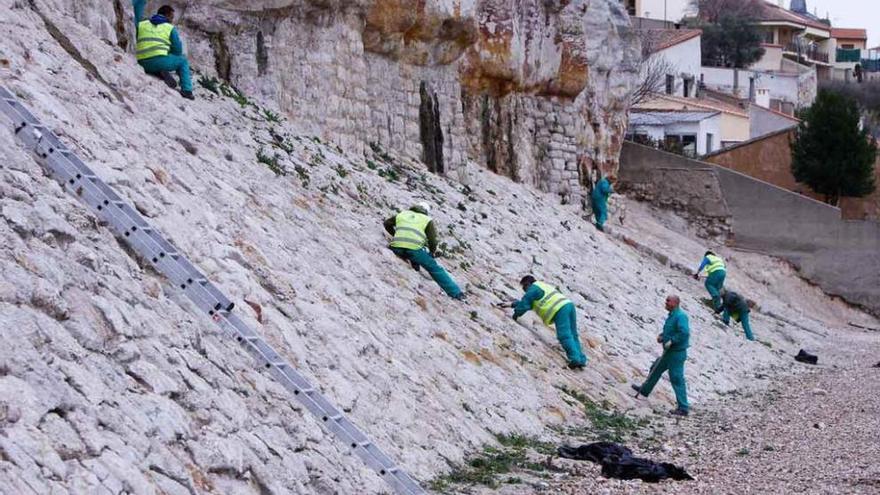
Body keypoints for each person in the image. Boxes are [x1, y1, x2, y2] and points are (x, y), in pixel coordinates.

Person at [384, 203, 465, 300]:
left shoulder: (402, 214)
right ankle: (456, 293)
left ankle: (415, 266)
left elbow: (387, 223)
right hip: (414, 250)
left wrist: (396, 235)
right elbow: (433, 240)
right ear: (426, 211)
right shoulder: (427, 220)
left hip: (396, 247)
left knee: (413, 252)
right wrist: (432, 252)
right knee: (435, 269)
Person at [510, 275, 587, 369]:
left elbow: (524, 306)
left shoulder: (532, 290)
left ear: (528, 283)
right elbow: (529, 304)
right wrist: (511, 304)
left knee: (564, 335)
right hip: (568, 305)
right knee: (573, 334)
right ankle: (581, 359)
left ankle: (574, 359)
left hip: (559, 309)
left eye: (524, 286)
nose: (524, 289)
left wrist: (515, 315)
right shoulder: (542, 286)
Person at [631, 295, 690, 416]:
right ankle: (645, 390)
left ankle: (683, 407)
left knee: (676, 378)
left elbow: (684, 332)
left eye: (668, 301)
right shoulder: (672, 316)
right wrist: (662, 336)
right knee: (655, 368)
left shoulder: (681, 316)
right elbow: (670, 330)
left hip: (676, 353)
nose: (666, 303)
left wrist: (672, 341)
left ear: (675, 303)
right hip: (668, 352)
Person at [132, 1, 194, 99]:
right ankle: (187, 90)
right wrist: (168, 51)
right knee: (183, 61)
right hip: (159, 61)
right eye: (172, 17)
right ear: (167, 15)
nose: (172, 20)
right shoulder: (169, 28)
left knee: (158, 58)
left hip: (141, 62)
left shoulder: (142, 24)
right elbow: (178, 50)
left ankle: (158, 71)